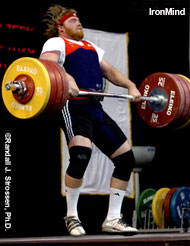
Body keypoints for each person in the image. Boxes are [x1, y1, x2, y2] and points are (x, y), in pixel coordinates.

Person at [40, 4, 141, 236]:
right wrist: (67, 78)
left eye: (79, 19)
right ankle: (72, 217)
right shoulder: (56, 43)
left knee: (126, 160)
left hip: (94, 107)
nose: (79, 23)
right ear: (60, 27)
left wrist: (131, 85)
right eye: (73, 20)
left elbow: (110, 72)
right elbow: (48, 65)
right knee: (81, 155)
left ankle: (113, 219)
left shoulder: (90, 46)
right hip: (72, 106)